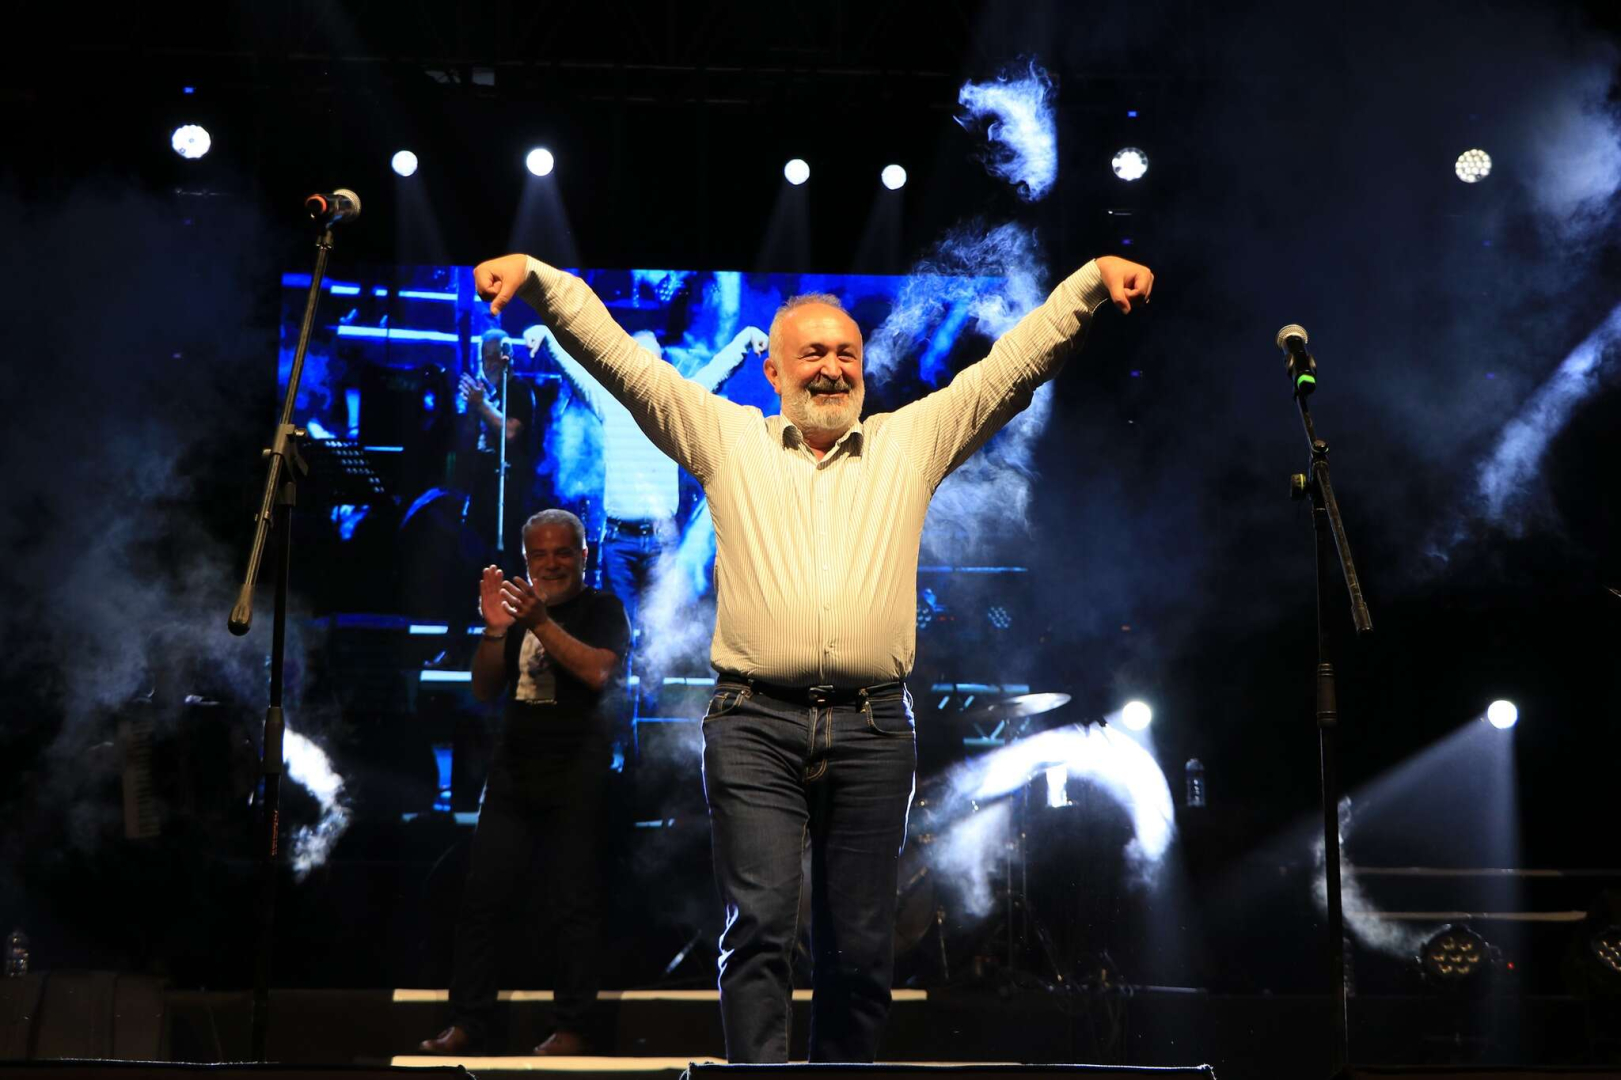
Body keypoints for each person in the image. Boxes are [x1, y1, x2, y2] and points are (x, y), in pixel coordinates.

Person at [473, 250, 1155, 1063]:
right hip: (754, 725)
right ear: (771, 370)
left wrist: (1086, 285)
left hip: (873, 728)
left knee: (860, 947)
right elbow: (622, 362)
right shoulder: (729, 440)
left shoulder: (909, 442)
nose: (832, 369)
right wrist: (539, 278)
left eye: (846, 354)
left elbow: (1008, 372)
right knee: (759, 930)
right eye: (813, 354)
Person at [417, 508, 631, 1057]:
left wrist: (539, 622)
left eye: (563, 552)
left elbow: (598, 671)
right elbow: (484, 688)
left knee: (573, 902)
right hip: (513, 769)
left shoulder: (602, 608)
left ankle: (573, 1028)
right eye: (540, 554)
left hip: (576, 767)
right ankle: (468, 1022)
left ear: (583, 555)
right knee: (482, 900)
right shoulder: (516, 613)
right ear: (526, 559)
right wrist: (495, 630)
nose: (552, 563)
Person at [524, 323, 765, 632]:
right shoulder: (611, 400)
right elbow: (574, 370)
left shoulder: (675, 405)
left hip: (660, 541)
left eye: (653, 359)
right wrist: (546, 336)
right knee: (617, 633)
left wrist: (746, 338)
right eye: (640, 358)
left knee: (658, 634)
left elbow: (716, 372)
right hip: (619, 542)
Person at [458, 328, 539, 561]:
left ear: (509, 357)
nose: (492, 363)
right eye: (487, 357)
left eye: (497, 356)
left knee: (505, 565)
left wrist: (481, 405)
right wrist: (471, 409)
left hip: (508, 501)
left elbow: (510, 433)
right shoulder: (487, 393)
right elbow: (467, 441)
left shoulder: (519, 390)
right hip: (482, 496)